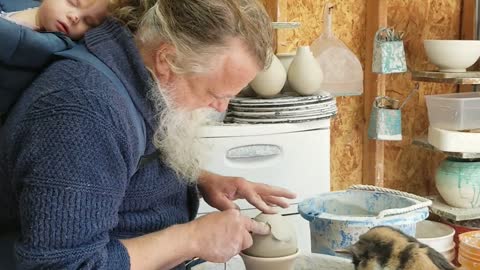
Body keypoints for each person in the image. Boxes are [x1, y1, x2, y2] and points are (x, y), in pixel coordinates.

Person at [0, 0, 296, 269]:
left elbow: (114, 167)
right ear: (167, 59)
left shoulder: (139, 75)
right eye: (216, 93)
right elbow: (64, 265)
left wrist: (199, 179)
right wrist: (191, 239)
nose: (221, 106)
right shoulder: (81, 110)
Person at [0, 0, 110, 118]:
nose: (75, 17)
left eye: (88, 22)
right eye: (72, 2)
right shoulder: (28, 8)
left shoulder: (47, 45)